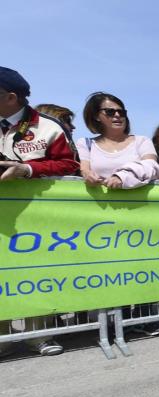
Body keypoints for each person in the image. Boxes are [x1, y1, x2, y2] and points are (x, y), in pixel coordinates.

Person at [0, 67, 79, 357]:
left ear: (11, 97)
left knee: (36, 274)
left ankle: (40, 333)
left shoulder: (47, 126)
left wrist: (27, 169)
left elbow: (69, 165)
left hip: (38, 215)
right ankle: (3, 335)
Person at [75, 92, 159, 189]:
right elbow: (85, 170)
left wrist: (122, 177)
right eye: (110, 111)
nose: (117, 114)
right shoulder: (85, 144)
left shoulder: (142, 141)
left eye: (122, 112)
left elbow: (151, 166)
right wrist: (88, 176)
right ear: (96, 116)